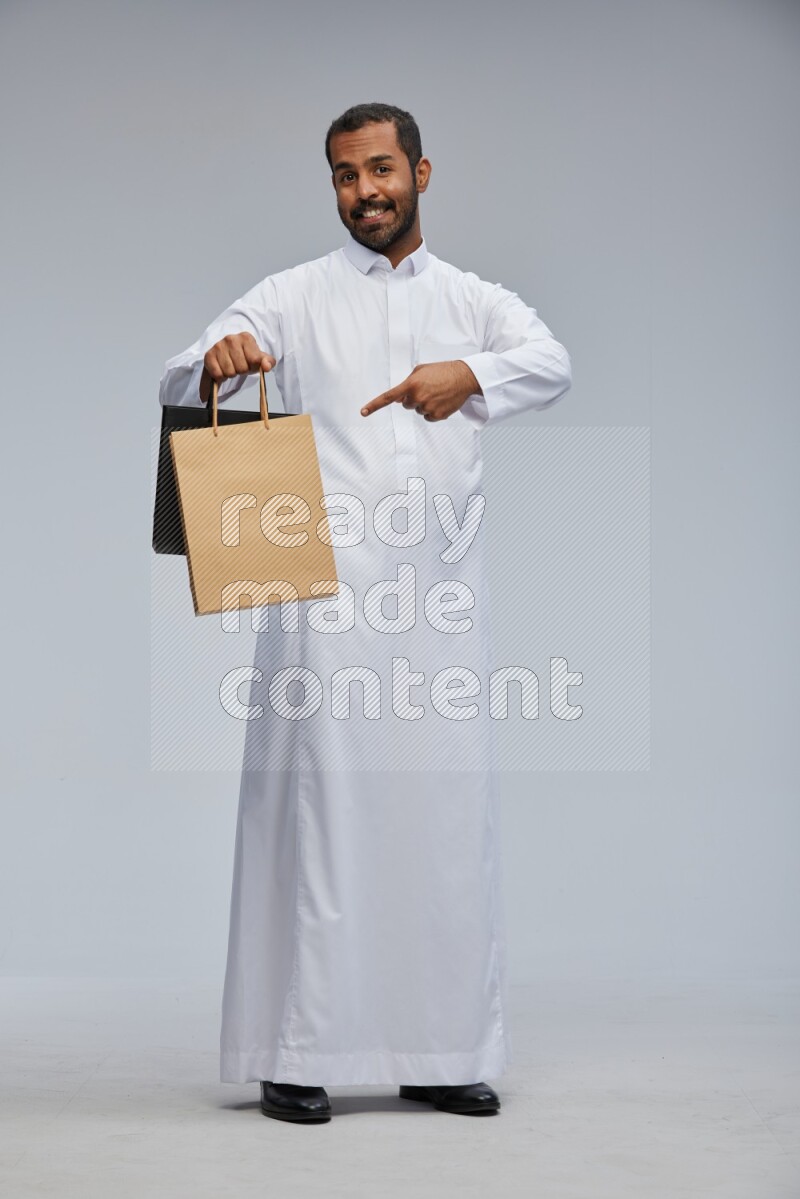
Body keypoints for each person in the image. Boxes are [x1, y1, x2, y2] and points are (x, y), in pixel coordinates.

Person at [159, 102, 572, 1123]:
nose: (364, 192)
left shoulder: (472, 300)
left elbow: (552, 363)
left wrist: (467, 373)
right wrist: (222, 354)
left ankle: (439, 1051)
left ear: (420, 174)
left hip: (437, 606)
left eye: (381, 170)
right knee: (318, 826)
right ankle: (295, 1051)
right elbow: (190, 363)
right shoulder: (294, 295)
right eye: (346, 175)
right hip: (321, 607)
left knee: (440, 828)